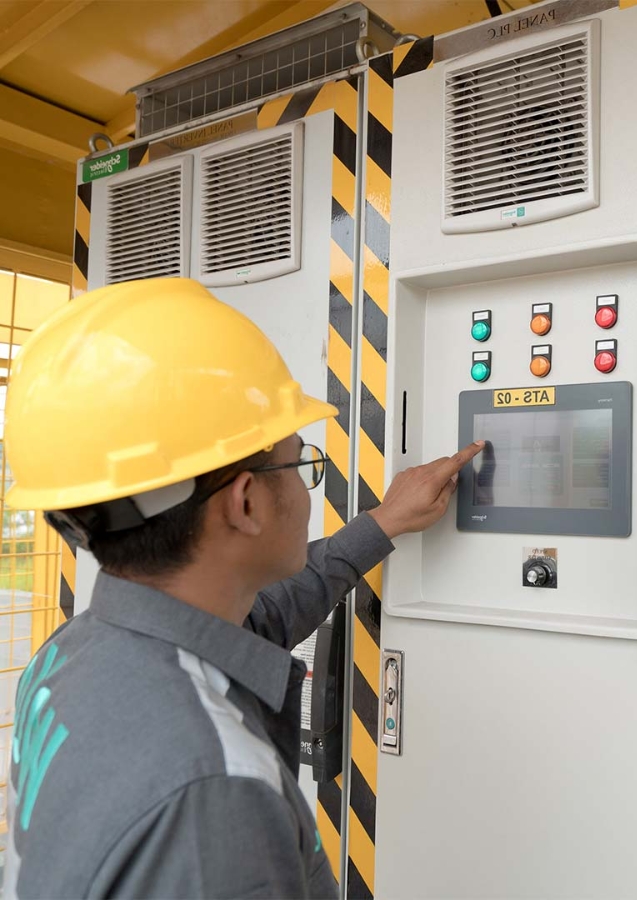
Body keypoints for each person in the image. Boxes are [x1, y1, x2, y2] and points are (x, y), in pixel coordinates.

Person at [1, 278, 482, 899]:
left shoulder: (73, 653)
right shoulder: (215, 794)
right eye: (299, 461)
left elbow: (264, 616)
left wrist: (383, 523)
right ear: (246, 501)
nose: (307, 482)